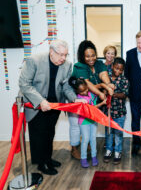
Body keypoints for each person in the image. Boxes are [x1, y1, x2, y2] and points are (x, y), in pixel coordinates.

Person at [19, 39, 86, 175]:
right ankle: (41, 164)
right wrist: (40, 101)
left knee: (50, 133)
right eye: (60, 54)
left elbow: (66, 86)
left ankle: (48, 159)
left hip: (55, 104)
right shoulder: (34, 60)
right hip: (36, 105)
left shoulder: (67, 65)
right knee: (39, 135)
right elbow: (24, 84)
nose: (63, 58)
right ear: (51, 52)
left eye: (65, 55)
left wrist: (75, 98)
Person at [68, 40, 114, 159]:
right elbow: (87, 84)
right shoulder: (79, 66)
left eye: (93, 55)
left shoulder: (99, 64)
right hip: (76, 100)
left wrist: (108, 85)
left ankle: (86, 143)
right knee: (76, 126)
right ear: (82, 56)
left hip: (89, 100)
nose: (91, 58)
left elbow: (103, 75)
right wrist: (100, 92)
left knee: (88, 123)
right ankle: (73, 149)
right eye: (87, 56)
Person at [69, 77, 105, 168]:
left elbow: (99, 92)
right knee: (85, 140)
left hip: (93, 120)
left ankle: (94, 157)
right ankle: (83, 158)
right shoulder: (79, 99)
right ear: (77, 91)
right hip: (84, 122)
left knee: (93, 139)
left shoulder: (92, 95)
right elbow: (92, 109)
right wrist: (102, 103)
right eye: (81, 91)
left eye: (86, 89)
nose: (84, 92)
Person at [102, 58, 129, 165]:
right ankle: (109, 150)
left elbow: (125, 95)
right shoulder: (106, 77)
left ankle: (118, 152)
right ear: (112, 66)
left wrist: (113, 94)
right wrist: (105, 91)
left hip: (120, 112)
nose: (118, 71)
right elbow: (102, 90)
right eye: (116, 68)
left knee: (118, 133)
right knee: (108, 133)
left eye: (121, 70)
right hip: (108, 112)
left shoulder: (124, 80)